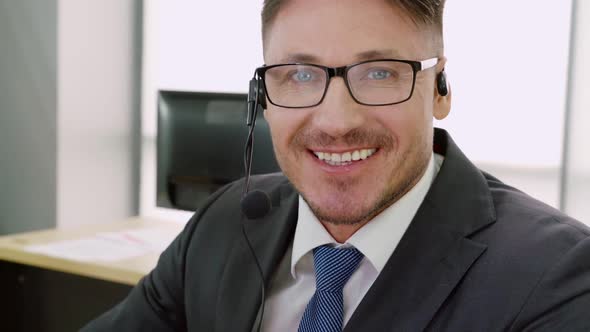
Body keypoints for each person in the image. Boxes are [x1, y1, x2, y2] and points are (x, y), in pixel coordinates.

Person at [82, 0, 590, 331]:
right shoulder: (223, 223)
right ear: (264, 96)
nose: (337, 121)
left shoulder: (556, 277)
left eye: (379, 73)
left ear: (440, 89)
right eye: (300, 74)